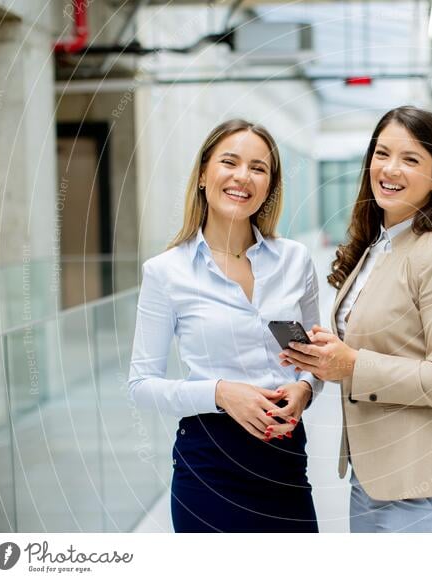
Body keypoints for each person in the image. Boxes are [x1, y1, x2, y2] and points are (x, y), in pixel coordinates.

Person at [280, 106, 432, 532]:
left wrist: (352, 364)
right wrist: (323, 358)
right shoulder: (377, 247)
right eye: (382, 153)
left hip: (425, 491)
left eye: (411, 159)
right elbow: (378, 348)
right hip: (371, 482)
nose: (390, 169)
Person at [128, 119, 322, 533]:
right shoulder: (168, 272)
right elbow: (141, 385)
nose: (242, 177)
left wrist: (304, 387)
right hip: (209, 469)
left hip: (285, 465)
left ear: (270, 185)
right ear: (203, 174)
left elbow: (310, 360)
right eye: (229, 162)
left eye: (258, 167)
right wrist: (220, 393)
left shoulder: (294, 262)